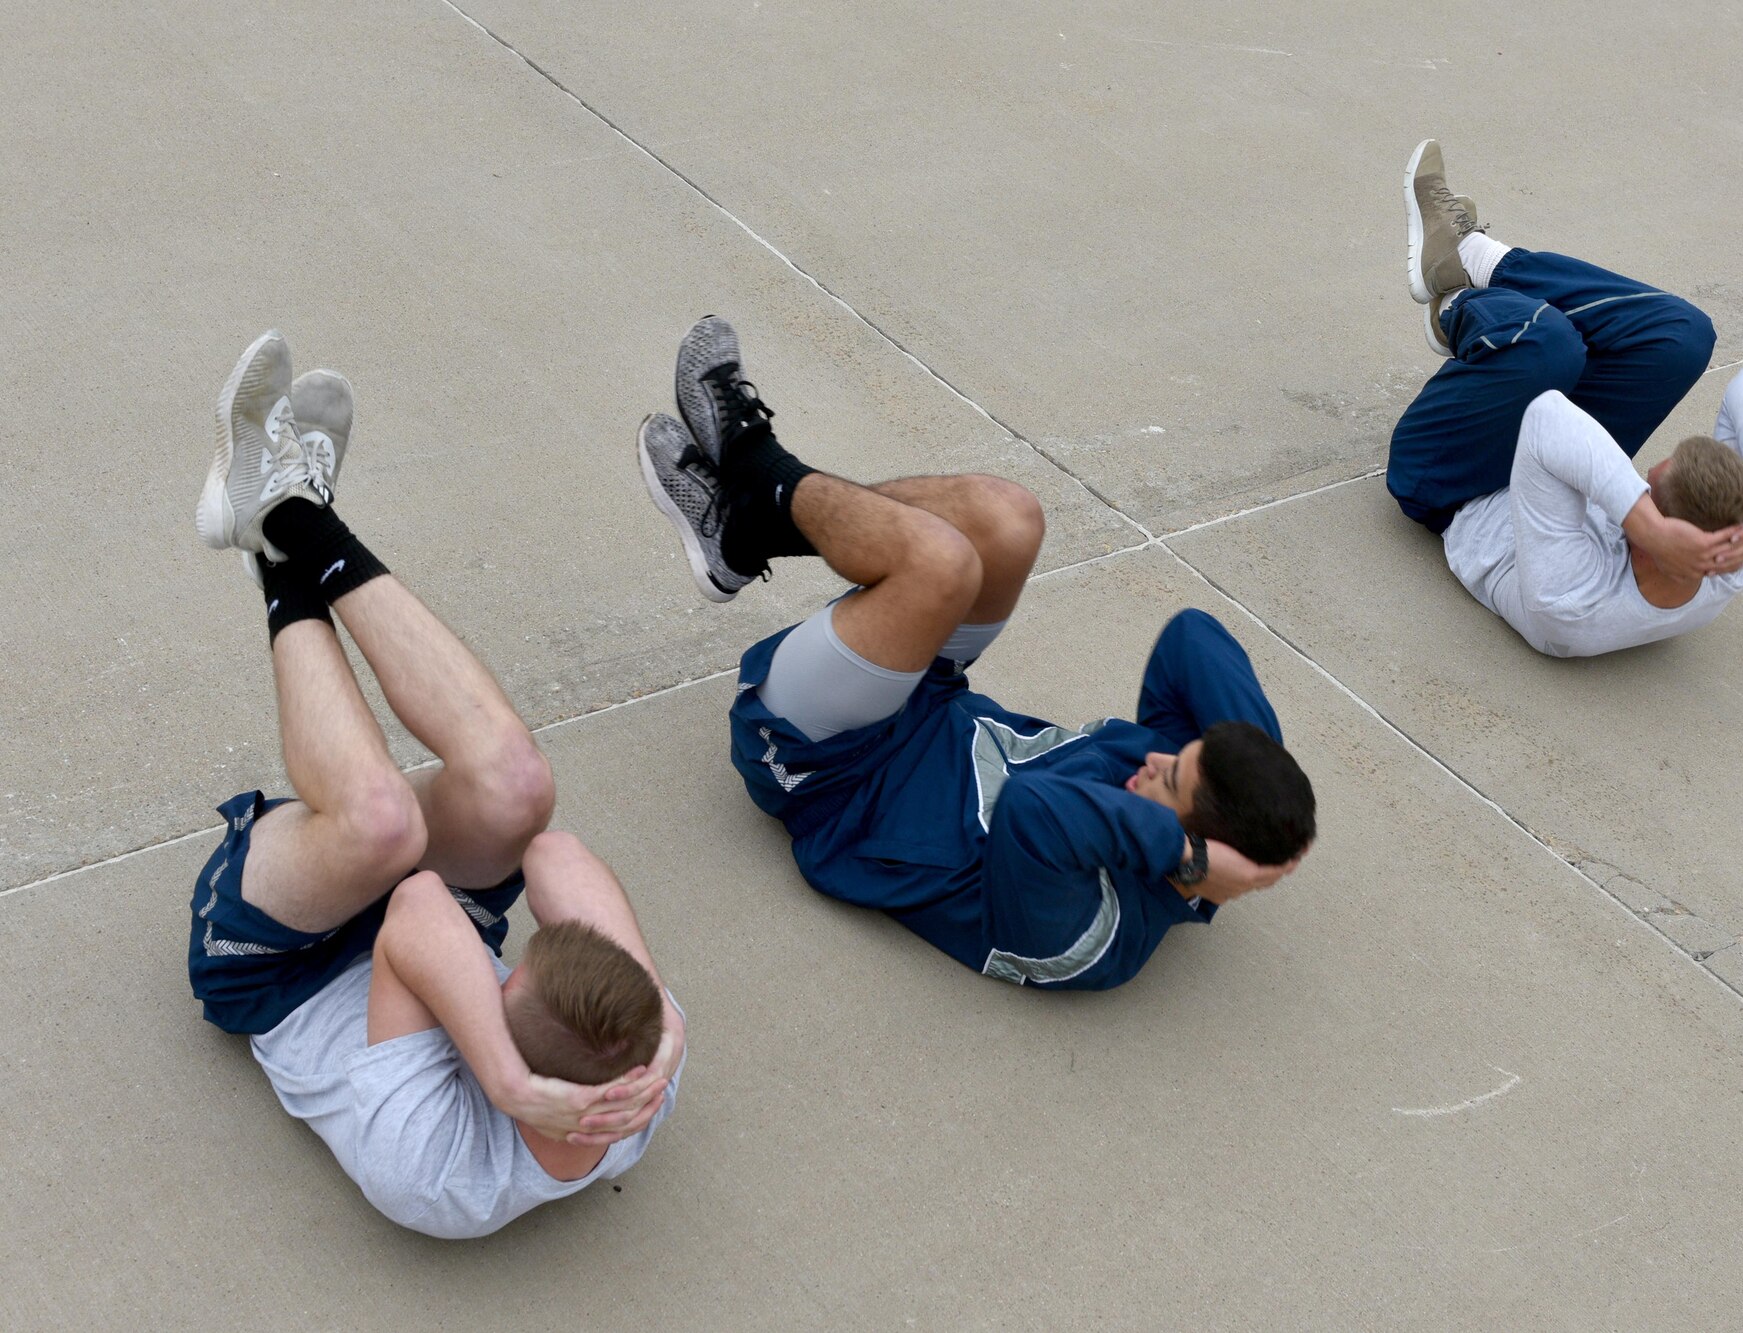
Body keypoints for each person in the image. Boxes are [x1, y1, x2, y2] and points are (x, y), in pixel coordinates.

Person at [635, 318, 1316, 989]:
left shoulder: (1091, 934)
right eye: (1177, 756)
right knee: (1008, 516)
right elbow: (1193, 637)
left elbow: (1036, 809)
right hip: (925, 700)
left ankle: (760, 476)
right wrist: (1260, 762)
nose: (1156, 757)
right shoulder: (1181, 789)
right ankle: (746, 527)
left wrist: (1186, 856)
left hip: (825, 766)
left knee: (941, 564)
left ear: (1188, 846)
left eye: (1169, 779)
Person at [188, 331, 685, 1238]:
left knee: (382, 825)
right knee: (519, 787)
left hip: (276, 966)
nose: (510, 959)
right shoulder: (632, 1063)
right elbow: (555, 854)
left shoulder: (437, 1176)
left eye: (511, 974)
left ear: (501, 1014)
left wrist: (500, 1075)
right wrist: (663, 1025)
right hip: (417, 936)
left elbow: (418, 907)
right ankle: (293, 512)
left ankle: (277, 538)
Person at [1387, 140, 1743, 658]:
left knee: (1549, 347)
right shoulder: (1725, 561)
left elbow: (1548, 418)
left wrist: (1641, 521)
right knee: (1683, 337)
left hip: (1450, 478)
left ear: (1658, 540)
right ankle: (1469, 257)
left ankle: (1461, 307)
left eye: (1647, 490)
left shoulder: (1572, 601)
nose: (1642, 476)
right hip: (1558, 463)